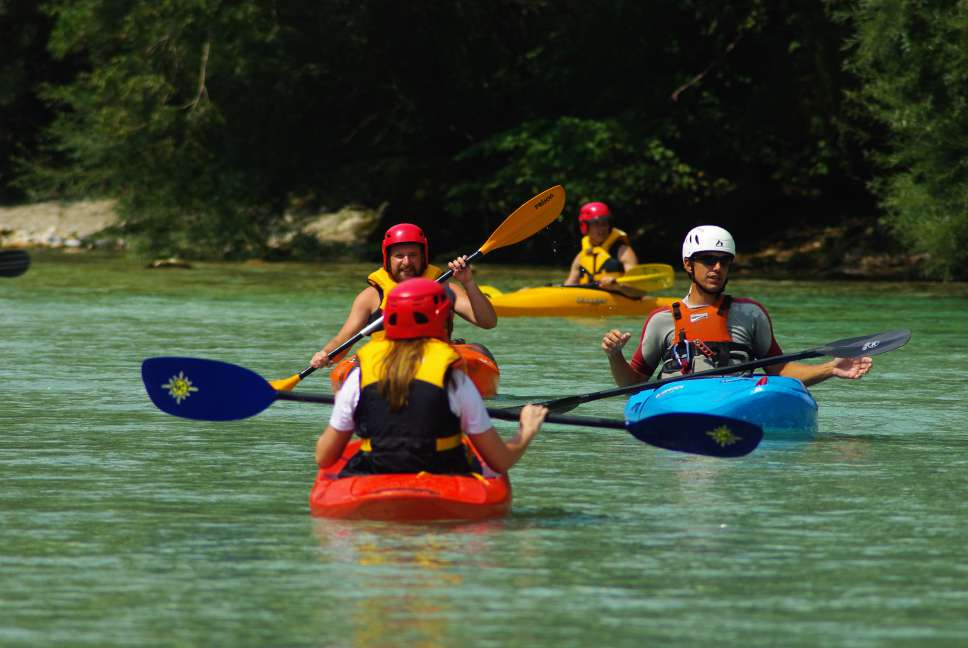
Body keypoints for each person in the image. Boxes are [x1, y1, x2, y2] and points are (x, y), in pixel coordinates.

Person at [314, 278, 548, 475]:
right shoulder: (454, 378)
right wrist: (526, 429)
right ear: (441, 320)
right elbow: (500, 461)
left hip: (375, 475)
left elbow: (324, 458)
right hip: (442, 475)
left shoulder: (359, 375)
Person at [601, 225, 873, 387]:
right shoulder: (662, 319)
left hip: (738, 397)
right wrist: (615, 356)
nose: (716, 267)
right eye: (707, 259)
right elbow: (634, 385)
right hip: (680, 400)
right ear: (688, 264)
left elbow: (781, 371)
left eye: (724, 261)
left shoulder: (751, 313)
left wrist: (831, 368)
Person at [310, 223, 497, 368]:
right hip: (386, 361)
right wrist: (325, 353)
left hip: (437, 359)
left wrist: (468, 282)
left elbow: (488, 322)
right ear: (388, 258)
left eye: (413, 255)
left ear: (423, 256)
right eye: (399, 255)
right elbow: (344, 339)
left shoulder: (445, 289)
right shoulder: (370, 297)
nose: (407, 262)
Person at [564, 201, 641, 296]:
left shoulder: (623, 251)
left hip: (621, 303)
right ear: (585, 227)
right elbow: (567, 287)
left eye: (604, 224)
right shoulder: (580, 258)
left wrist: (617, 286)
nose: (602, 229)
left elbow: (639, 292)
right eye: (596, 224)